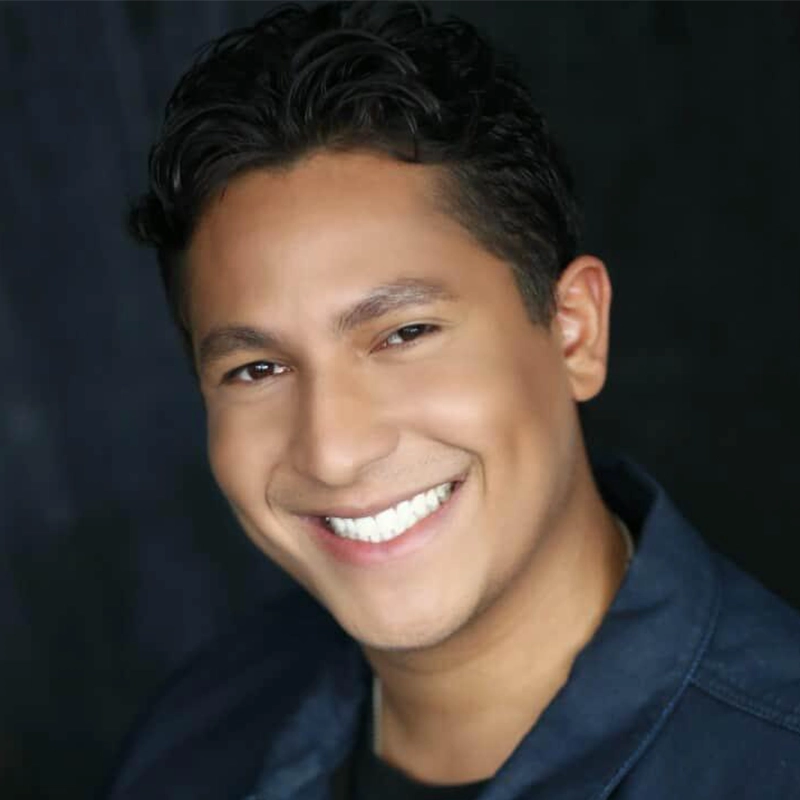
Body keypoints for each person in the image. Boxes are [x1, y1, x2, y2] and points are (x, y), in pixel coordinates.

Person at [105, 2, 800, 798]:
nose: (334, 449)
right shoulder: (196, 737)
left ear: (574, 333)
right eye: (257, 370)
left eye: (405, 334)